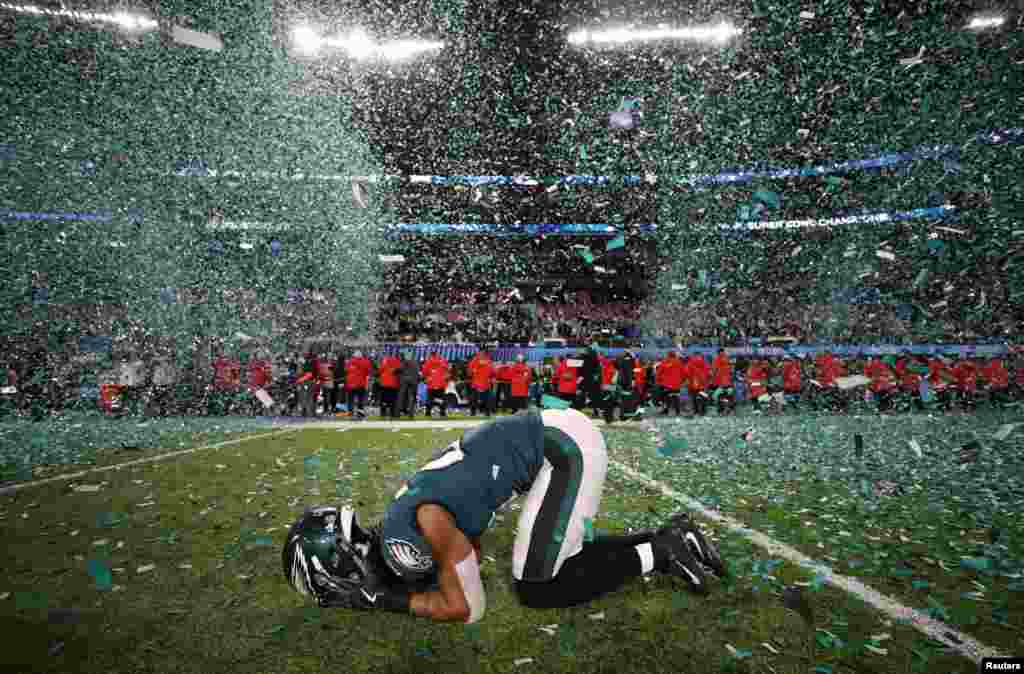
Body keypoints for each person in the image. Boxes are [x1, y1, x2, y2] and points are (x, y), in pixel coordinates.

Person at [282, 409, 728, 621]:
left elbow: (466, 608)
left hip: (560, 450)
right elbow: (466, 547)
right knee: (551, 555)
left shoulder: (410, 534)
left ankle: (662, 552)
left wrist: (380, 599)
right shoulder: (403, 524)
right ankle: (671, 535)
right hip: (554, 438)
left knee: (540, 587)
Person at [422, 351, 451, 418]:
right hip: (441, 384)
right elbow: (448, 371)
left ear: (431, 355)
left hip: (431, 384)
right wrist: (445, 379)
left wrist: (426, 379)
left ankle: (428, 413)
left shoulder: (428, 362)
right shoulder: (443, 361)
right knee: (441, 399)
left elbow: (424, 373)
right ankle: (442, 413)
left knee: (430, 399)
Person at [345, 351, 373, 419]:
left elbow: (346, 370)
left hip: (350, 384)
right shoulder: (366, 362)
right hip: (360, 384)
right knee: (360, 400)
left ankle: (350, 412)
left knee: (350, 399)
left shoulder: (349, 362)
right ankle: (360, 413)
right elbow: (369, 372)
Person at [467, 351, 495, 417]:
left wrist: (493, 376)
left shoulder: (487, 361)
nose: (482, 354)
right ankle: (474, 412)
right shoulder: (477, 360)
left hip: (483, 383)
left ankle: (485, 412)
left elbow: (492, 371)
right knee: (476, 399)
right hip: (478, 383)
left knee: (485, 399)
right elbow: (469, 371)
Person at [657, 352, 684, 416]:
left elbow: (659, 373)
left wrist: (659, 380)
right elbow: (683, 373)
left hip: (666, 384)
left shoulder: (664, 362)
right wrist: (682, 381)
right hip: (677, 384)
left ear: (668, 355)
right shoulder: (679, 363)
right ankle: (678, 411)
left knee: (666, 397)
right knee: (676, 397)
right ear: (675, 356)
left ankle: (667, 411)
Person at [684, 352, 709, 417]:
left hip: (693, 385)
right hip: (702, 385)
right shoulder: (704, 363)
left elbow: (686, 373)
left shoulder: (689, 363)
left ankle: (695, 411)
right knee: (704, 396)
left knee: (692, 397)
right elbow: (708, 373)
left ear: (693, 356)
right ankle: (703, 411)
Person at [710, 348, 734, 415]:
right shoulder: (726, 360)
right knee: (727, 395)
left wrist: (713, 379)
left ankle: (722, 410)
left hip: (722, 382)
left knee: (719, 396)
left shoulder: (717, 359)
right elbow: (731, 371)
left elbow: (714, 370)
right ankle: (728, 409)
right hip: (725, 382)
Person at [378, 352, 402, 419]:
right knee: (393, 400)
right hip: (393, 384)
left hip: (384, 383)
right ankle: (392, 413)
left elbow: (380, 371)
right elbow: (399, 370)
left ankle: (383, 413)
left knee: (383, 399)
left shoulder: (384, 361)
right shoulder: (397, 361)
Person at [398, 352, 420, 419]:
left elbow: (400, 369)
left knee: (401, 397)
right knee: (411, 398)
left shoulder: (404, 362)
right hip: (413, 382)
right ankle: (411, 413)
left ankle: (399, 412)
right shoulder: (415, 363)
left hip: (405, 381)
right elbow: (417, 373)